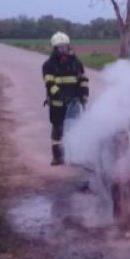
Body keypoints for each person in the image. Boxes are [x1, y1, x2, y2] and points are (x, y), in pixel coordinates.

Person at [43, 31, 89, 165]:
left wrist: (84, 94)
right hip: (57, 104)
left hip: (74, 103)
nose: (63, 50)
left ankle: (74, 156)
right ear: (55, 48)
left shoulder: (76, 62)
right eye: (60, 47)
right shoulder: (48, 65)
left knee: (75, 128)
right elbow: (50, 85)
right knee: (58, 130)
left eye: (65, 47)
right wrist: (62, 97)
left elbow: (83, 79)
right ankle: (57, 157)